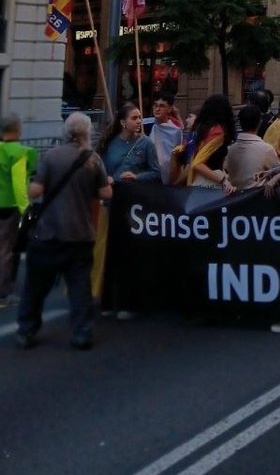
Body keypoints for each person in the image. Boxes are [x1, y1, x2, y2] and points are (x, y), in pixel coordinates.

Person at [17, 112, 112, 350]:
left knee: (36, 286)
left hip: (49, 232)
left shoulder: (50, 156)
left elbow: (35, 192)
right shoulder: (93, 160)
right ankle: (82, 332)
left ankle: (27, 328)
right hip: (81, 233)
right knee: (80, 286)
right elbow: (106, 194)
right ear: (87, 133)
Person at [0, 113, 37, 306]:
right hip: (9, 207)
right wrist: (25, 208)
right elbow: (19, 184)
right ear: (18, 129)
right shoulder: (20, 152)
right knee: (6, 250)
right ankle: (3, 293)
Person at [171, 95, 236, 188]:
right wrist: (222, 180)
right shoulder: (217, 132)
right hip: (210, 184)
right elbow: (197, 163)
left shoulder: (200, 131)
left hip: (197, 182)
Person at [98, 103, 161, 184]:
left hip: (136, 191)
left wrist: (137, 177)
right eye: (134, 118)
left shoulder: (146, 143)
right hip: (113, 190)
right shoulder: (110, 142)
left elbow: (156, 173)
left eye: (139, 118)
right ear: (123, 122)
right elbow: (102, 169)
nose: (139, 121)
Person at [223, 104, 280, 192]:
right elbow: (278, 172)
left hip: (233, 199)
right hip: (257, 199)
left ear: (240, 123)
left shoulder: (229, 150)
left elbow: (224, 169)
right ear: (259, 122)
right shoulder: (266, 149)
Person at [148, 94, 183, 179]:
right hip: (149, 174)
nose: (157, 109)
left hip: (168, 176)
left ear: (169, 109)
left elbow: (178, 156)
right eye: (155, 105)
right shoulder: (145, 125)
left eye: (162, 106)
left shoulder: (176, 131)